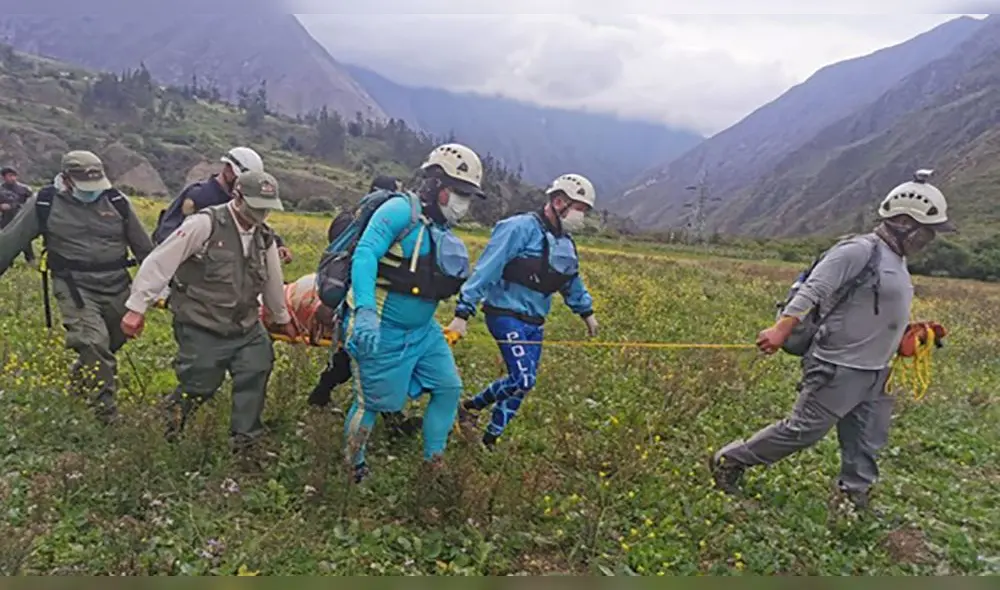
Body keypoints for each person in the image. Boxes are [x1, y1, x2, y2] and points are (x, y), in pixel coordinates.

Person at [709, 170, 955, 511]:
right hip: (838, 366)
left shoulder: (896, 260)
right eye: (927, 231)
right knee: (803, 431)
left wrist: (906, 333)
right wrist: (781, 329)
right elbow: (815, 288)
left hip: (876, 370)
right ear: (903, 223)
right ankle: (731, 460)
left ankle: (854, 495)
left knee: (867, 438)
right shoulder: (858, 251)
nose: (929, 240)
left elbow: (871, 308)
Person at [120, 170, 298, 449]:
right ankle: (169, 421)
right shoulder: (204, 225)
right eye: (255, 206)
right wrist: (136, 307)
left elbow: (273, 282)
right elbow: (159, 262)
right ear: (237, 198)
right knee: (199, 383)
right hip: (201, 323)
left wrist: (281, 317)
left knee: (257, 368)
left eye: (267, 208)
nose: (261, 214)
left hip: (246, 325)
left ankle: (245, 441)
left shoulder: (265, 237)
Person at [343, 143, 484, 484]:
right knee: (372, 402)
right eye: (459, 193)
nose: (463, 203)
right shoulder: (398, 211)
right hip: (380, 324)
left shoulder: (439, 229)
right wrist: (363, 311)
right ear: (437, 185)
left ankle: (433, 463)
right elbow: (365, 254)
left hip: (424, 331)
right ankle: (353, 465)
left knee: (449, 388)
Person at [445, 174, 599, 449]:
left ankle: (489, 439)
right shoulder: (517, 229)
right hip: (505, 314)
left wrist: (586, 312)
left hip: (535, 321)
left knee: (524, 385)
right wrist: (463, 312)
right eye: (579, 208)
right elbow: (487, 269)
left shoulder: (566, 243)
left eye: (585, 211)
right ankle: (470, 407)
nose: (581, 216)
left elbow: (570, 280)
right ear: (559, 201)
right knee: (523, 379)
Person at [0, 151, 154, 422]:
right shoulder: (44, 203)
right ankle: (105, 414)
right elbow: (11, 241)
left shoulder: (117, 201)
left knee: (113, 341)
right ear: (67, 180)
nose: (91, 192)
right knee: (94, 342)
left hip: (117, 284)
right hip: (75, 287)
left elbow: (146, 250)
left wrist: (159, 289)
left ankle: (80, 383)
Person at [152, 146, 293, 263]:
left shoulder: (241, 200)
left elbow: (255, 222)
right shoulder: (199, 195)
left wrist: (277, 245)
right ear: (227, 168)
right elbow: (167, 233)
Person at [0, 166, 36, 264]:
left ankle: (31, 260)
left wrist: (13, 206)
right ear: (4, 177)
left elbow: (32, 203)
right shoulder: (1, 190)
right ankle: (7, 262)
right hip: (6, 220)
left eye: (14, 176)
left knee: (25, 241)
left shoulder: (24, 189)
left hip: (22, 218)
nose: (12, 178)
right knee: (6, 241)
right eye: (9, 176)